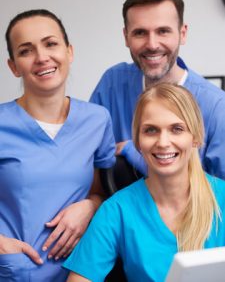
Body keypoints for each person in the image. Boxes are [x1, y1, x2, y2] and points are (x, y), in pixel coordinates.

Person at [64, 83, 225, 282]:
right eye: (151, 130)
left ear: (195, 137)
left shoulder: (222, 198)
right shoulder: (117, 210)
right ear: (138, 141)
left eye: (176, 129)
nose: (163, 142)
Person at [0, 9, 115, 281]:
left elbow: (99, 192)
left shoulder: (96, 120)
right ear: (14, 66)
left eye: (50, 44)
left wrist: (90, 207)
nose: (42, 57)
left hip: (80, 271)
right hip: (14, 271)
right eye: (26, 51)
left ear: (69, 52)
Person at [90, 0, 225, 180]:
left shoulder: (216, 106)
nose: (152, 45)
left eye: (163, 31)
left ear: (182, 33)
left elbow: (221, 196)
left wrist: (133, 152)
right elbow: (85, 157)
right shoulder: (112, 84)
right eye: (140, 32)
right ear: (126, 36)